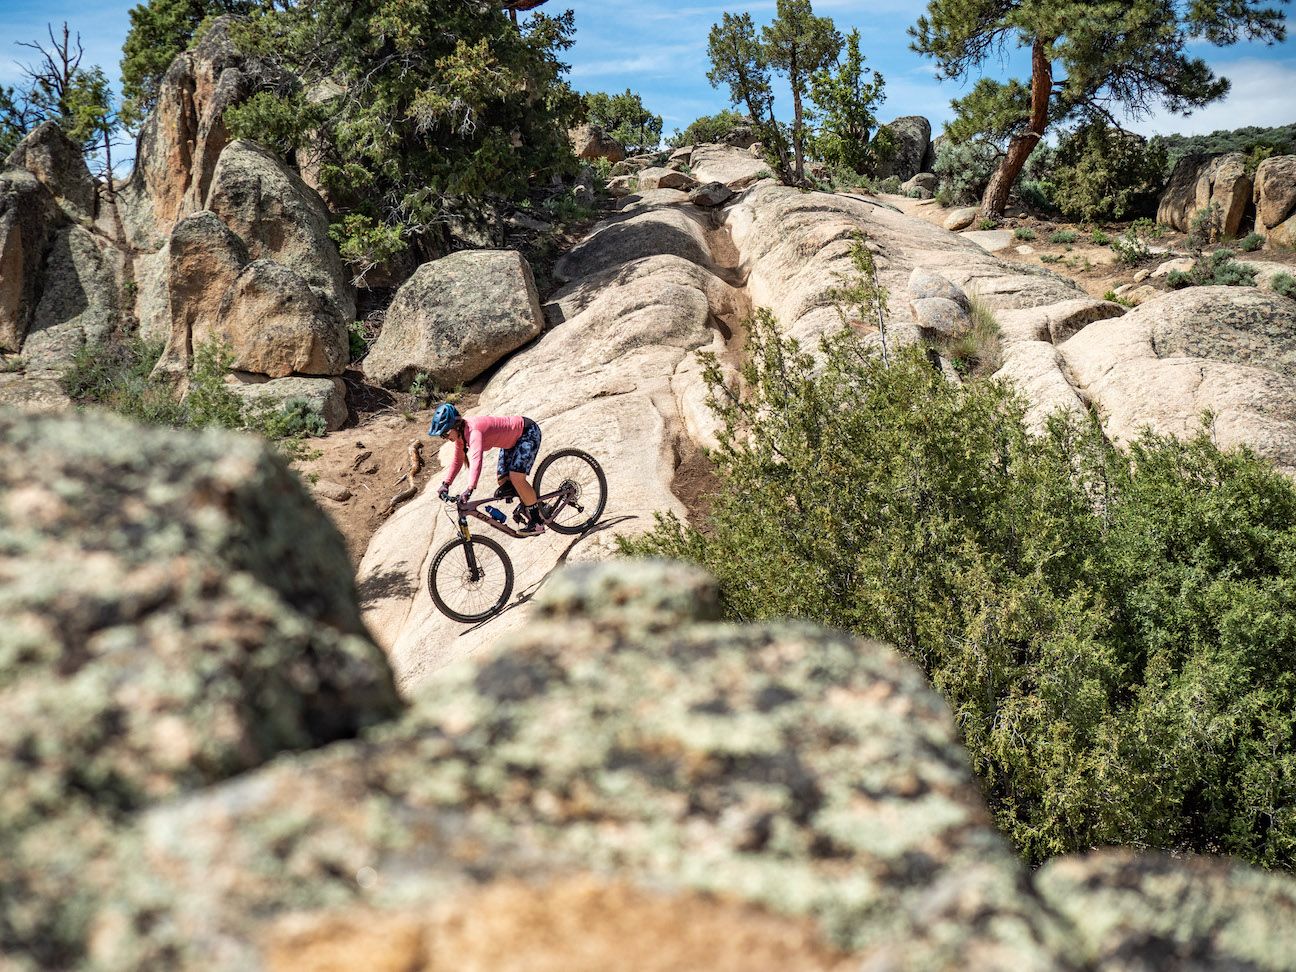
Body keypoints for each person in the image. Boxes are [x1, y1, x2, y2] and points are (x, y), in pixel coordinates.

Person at [428, 402, 546, 535]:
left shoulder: (473, 431)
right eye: (442, 436)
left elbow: (476, 459)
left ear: (456, 426)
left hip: (527, 432)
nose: (445, 438)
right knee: (504, 482)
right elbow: (457, 461)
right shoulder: (461, 436)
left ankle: (537, 522)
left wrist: (470, 488)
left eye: (445, 433)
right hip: (511, 443)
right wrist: (446, 484)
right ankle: (537, 506)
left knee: (516, 477)